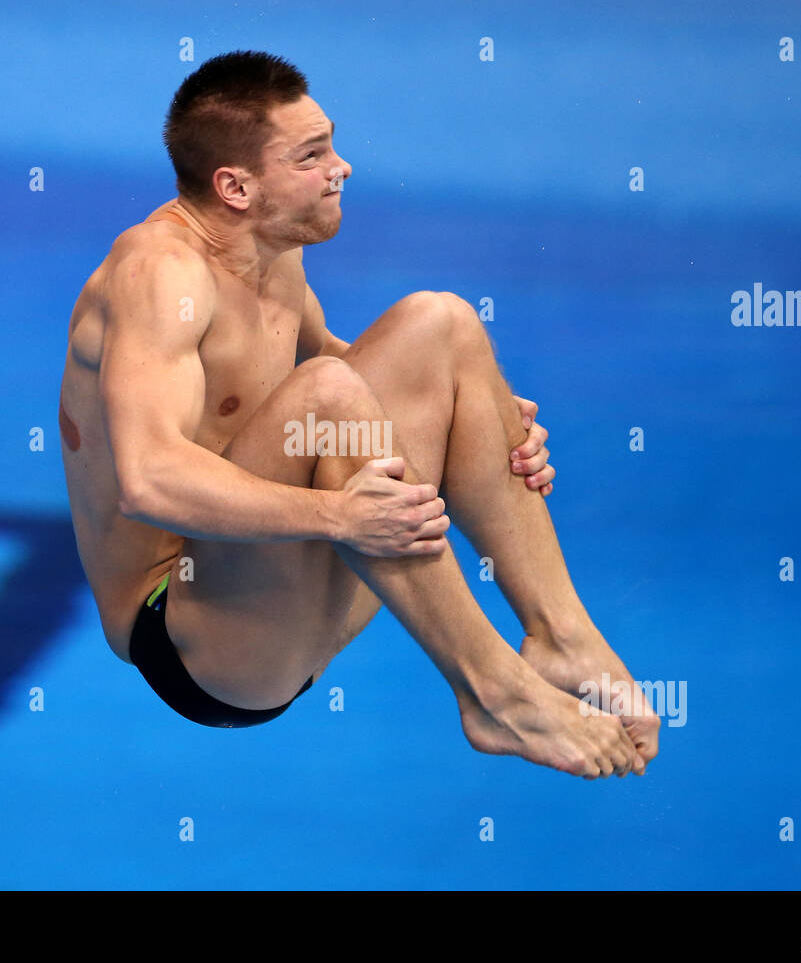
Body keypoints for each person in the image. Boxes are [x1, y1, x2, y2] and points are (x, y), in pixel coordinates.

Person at [58, 50, 659, 778]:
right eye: (312, 156)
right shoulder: (161, 274)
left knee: (444, 324)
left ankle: (562, 634)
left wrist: (483, 410)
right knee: (328, 394)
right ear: (235, 186)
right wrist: (339, 518)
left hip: (284, 591)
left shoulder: (272, 250)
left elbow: (339, 372)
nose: (342, 168)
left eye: (333, 144)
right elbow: (149, 480)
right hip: (192, 637)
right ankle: (493, 689)